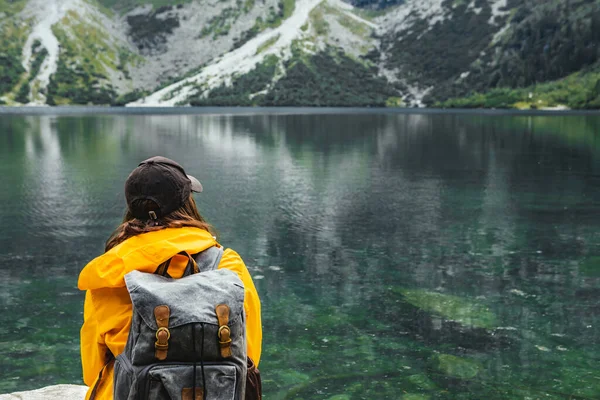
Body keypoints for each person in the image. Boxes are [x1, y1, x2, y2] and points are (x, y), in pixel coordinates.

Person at [78, 156, 262, 400]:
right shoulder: (227, 265)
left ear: (133, 208)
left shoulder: (108, 275)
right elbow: (249, 353)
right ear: (187, 204)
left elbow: (93, 369)